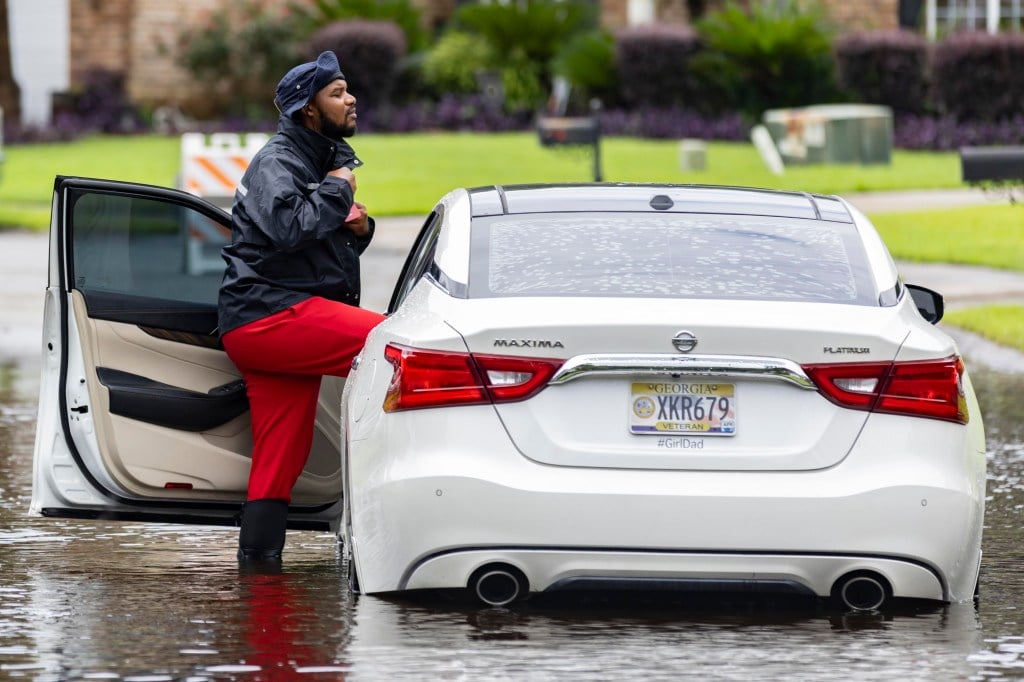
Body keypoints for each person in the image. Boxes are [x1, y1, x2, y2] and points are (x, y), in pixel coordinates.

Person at [218, 51, 386, 562]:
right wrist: (338, 190)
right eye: (336, 93)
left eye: (347, 88)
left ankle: (259, 577)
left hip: (273, 317)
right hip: (267, 314)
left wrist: (360, 227)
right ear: (307, 110)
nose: (350, 98)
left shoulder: (314, 157)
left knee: (280, 457)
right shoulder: (279, 161)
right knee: (398, 343)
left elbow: (306, 243)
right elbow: (289, 226)